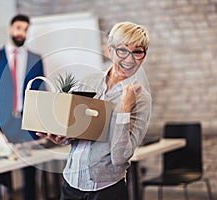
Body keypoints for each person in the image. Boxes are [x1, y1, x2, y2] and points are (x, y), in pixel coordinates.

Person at [37, 21, 151, 200]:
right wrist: (63, 137)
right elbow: (78, 131)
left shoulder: (141, 99)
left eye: (137, 51)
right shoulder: (89, 81)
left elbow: (120, 158)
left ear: (143, 56)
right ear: (109, 51)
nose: (129, 59)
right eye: (122, 50)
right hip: (71, 183)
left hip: (106, 190)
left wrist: (124, 109)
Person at [0, 14, 45, 200]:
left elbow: (42, 90)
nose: (21, 33)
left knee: (30, 171)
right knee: (3, 172)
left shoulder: (36, 58)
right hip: (1, 122)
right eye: (18, 28)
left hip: (27, 121)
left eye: (25, 30)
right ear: (10, 29)